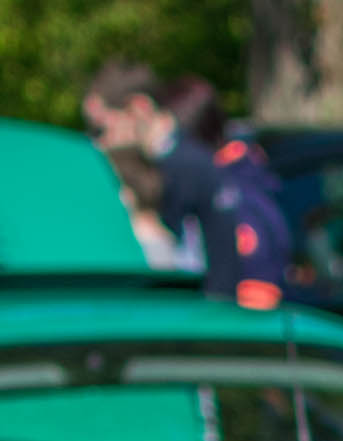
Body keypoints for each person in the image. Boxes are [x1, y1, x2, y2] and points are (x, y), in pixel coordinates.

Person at [85, 66, 296, 308]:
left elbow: (215, 269)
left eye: (101, 129)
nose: (100, 142)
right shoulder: (183, 160)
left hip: (201, 314)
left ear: (139, 108)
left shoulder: (183, 167)